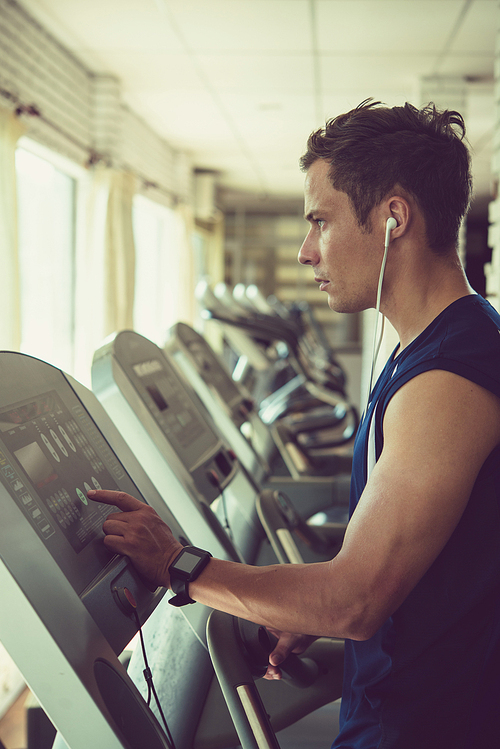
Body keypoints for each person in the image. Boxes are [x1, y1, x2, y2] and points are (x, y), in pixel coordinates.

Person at [88, 101, 500, 748]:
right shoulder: (423, 348)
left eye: (320, 222)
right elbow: (407, 570)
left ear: (394, 218)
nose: (307, 252)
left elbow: (355, 600)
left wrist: (178, 562)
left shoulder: (449, 378)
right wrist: (304, 604)